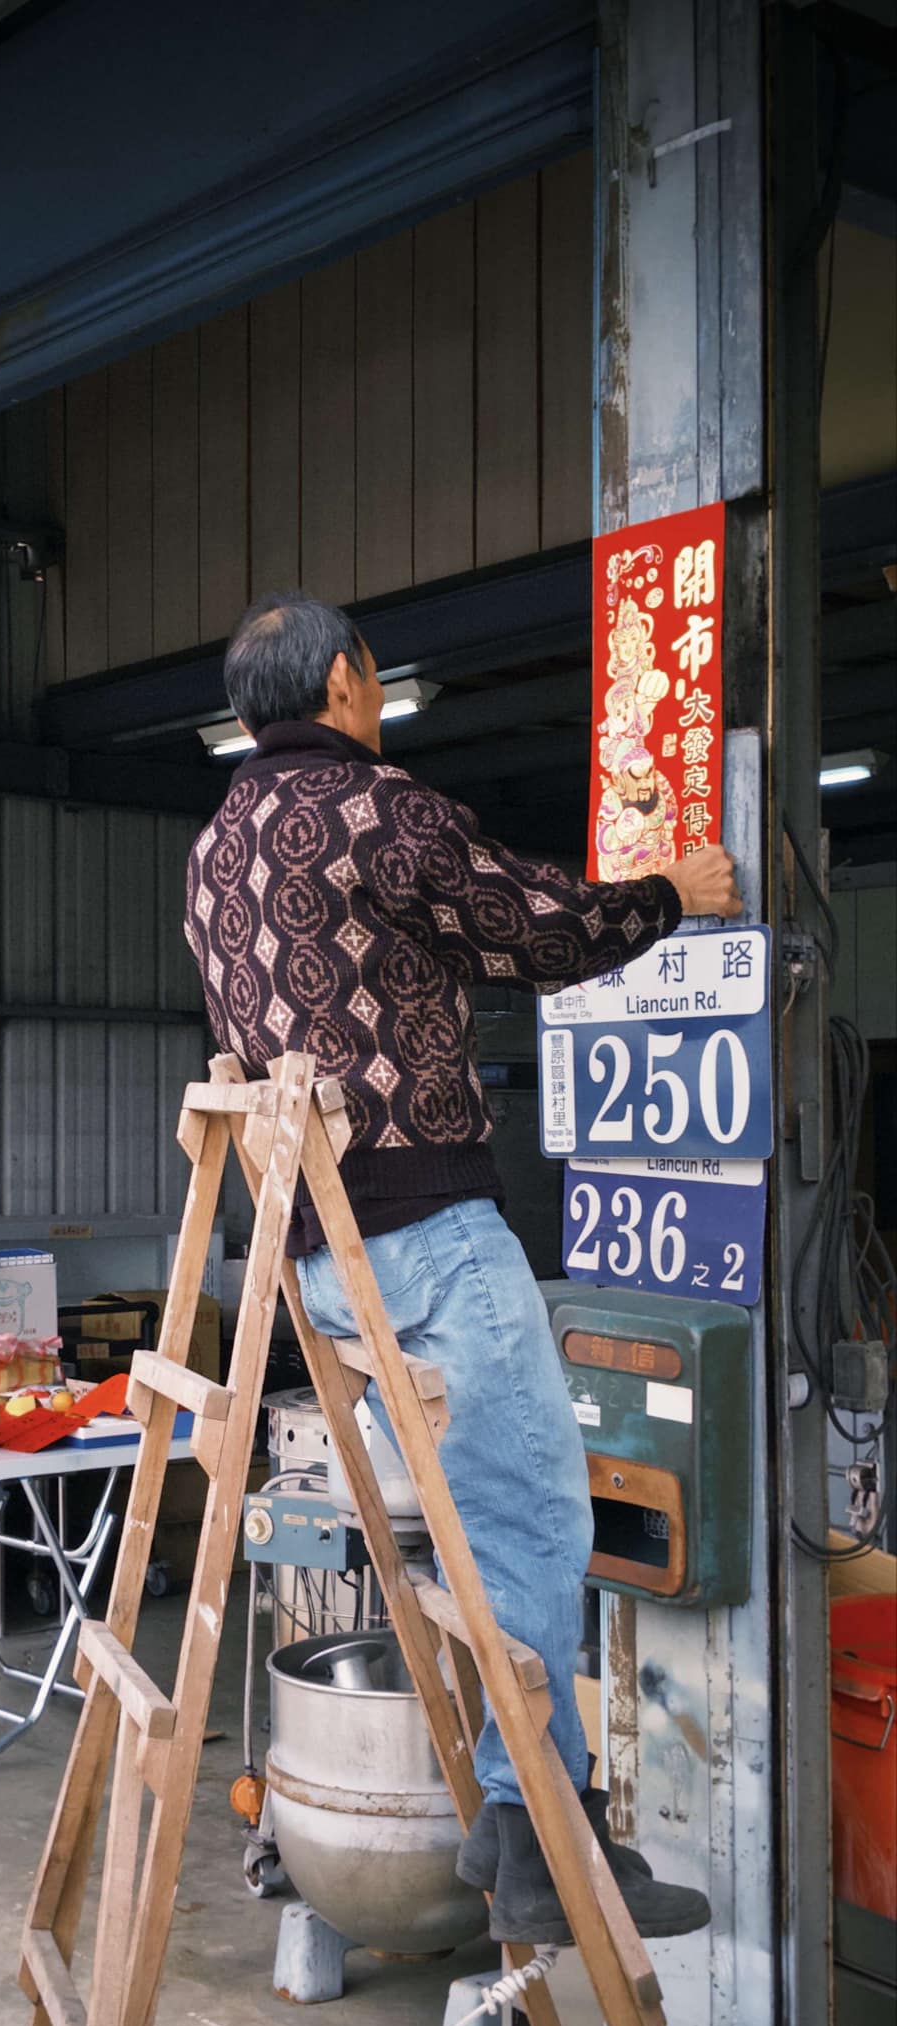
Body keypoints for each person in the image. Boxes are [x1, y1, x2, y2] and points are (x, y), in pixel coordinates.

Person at [184, 592, 742, 1946]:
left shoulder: (212, 850)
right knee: (538, 1519)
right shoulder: (378, 808)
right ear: (343, 679)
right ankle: (547, 1839)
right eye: (373, 675)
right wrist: (675, 895)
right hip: (428, 1236)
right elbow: (535, 929)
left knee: (481, 1527)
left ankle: (507, 1811)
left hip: (314, 1252)